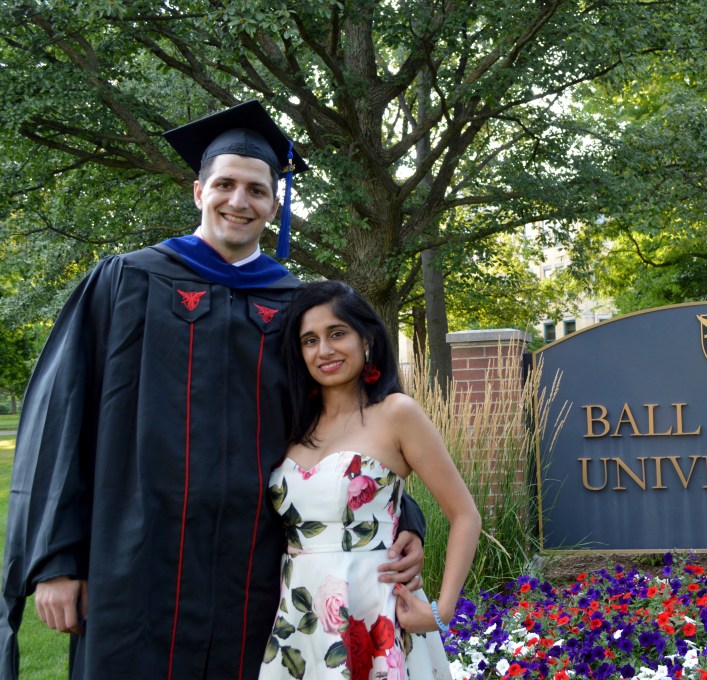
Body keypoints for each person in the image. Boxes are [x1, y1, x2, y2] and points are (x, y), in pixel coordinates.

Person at [0, 101, 425, 679]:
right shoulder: (127, 283)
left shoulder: (295, 309)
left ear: (275, 203)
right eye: (224, 184)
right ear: (198, 191)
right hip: (134, 561)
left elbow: (345, 425)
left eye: (256, 189)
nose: (238, 201)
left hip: (254, 569)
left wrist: (407, 525)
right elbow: (60, 424)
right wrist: (55, 562)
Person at [259, 280, 481, 680]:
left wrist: (441, 611)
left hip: (375, 606)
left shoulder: (397, 413)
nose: (324, 350)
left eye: (337, 333)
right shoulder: (290, 424)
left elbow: (465, 515)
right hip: (299, 612)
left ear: (367, 340)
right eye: (310, 340)